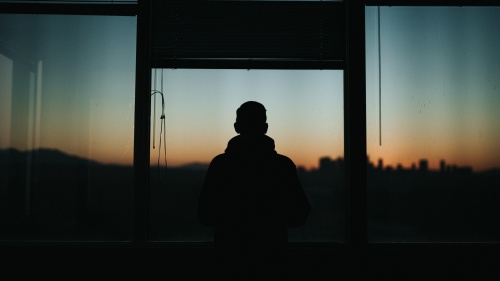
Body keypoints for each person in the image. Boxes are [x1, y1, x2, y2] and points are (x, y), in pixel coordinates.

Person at [198, 101, 310, 279]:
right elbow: (299, 216)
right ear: (265, 127)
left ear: (236, 127)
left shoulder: (221, 165)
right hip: (272, 259)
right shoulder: (282, 166)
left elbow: (205, 214)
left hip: (229, 258)